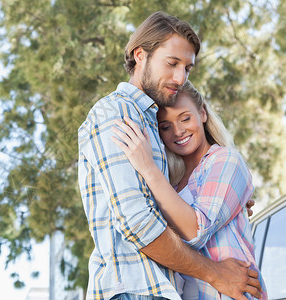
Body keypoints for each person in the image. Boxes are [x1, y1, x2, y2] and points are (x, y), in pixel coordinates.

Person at [77, 11, 262, 300]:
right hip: (134, 290)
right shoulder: (116, 113)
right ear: (140, 55)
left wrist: (233, 203)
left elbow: (173, 212)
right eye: (172, 63)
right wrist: (214, 273)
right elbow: (137, 222)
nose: (180, 77)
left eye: (187, 68)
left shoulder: (152, 120)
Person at [111, 81, 267, 299]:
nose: (178, 131)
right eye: (165, 126)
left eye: (185, 118)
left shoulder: (226, 160)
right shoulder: (171, 184)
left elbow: (196, 232)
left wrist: (147, 167)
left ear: (202, 113)